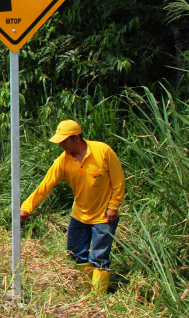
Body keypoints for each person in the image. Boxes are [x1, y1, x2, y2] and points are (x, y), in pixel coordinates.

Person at [20, 120, 126, 294]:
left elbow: (119, 181)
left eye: (63, 141)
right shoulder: (63, 161)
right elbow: (44, 187)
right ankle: (86, 293)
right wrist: (26, 208)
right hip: (79, 216)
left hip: (104, 217)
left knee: (99, 258)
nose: (61, 145)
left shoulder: (103, 151)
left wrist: (114, 206)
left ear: (76, 137)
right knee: (75, 254)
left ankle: (98, 299)